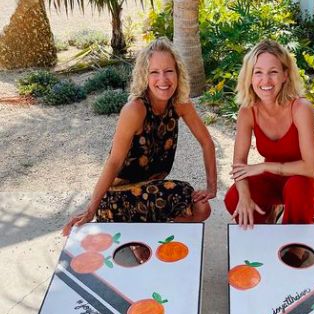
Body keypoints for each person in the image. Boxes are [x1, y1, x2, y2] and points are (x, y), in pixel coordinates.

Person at [63, 37, 217, 236]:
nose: (163, 79)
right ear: (145, 76)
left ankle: (139, 230)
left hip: (148, 192)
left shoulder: (180, 104)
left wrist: (211, 187)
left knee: (201, 208)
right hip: (116, 198)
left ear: (178, 73)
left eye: (169, 71)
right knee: (170, 194)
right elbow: (114, 161)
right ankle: (137, 234)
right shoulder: (135, 110)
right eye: (154, 72)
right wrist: (91, 209)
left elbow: (207, 142)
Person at [224, 39, 314, 236]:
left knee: (297, 189)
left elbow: (312, 168)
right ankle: (270, 217)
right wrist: (245, 196)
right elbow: (239, 163)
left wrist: (264, 166)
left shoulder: (301, 108)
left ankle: (296, 244)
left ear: (285, 76)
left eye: (273, 72)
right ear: (249, 77)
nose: (265, 80)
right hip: (275, 180)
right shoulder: (247, 111)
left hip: (307, 183)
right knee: (234, 198)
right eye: (258, 72)